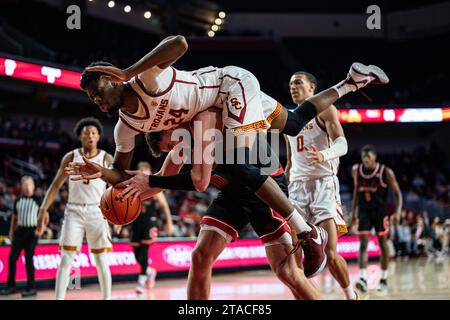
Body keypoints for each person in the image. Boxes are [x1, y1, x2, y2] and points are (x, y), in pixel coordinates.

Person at [68, 35, 389, 277]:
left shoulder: (145, 80)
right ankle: (351, 81)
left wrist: (127, 71)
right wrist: (101, 171)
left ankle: (308, 232)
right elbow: (121, 173)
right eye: (91, 97)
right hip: (220, 105)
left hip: (228, 87)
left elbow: (178, 43)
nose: (96, 99)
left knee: (233, 162)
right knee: (292, 124)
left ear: (112, 78)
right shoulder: (124, 130)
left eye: (97, 91)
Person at [143, 109, 322, 299]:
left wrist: (150, 181)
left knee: (286, 271)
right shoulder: (182, 143)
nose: (174, 150)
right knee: (200, 256)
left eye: (171, 144)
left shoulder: (204, 126)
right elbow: (160, 181)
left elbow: (197, 182)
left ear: (171, 127)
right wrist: (130, 190)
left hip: (263, 187)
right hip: (232, 191)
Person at [284, 71, 356, 300]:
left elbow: (343, 144)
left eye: (298, 83)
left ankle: (350, 296)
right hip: (296, 188)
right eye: (290, 84)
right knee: (294, 256)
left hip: (323, 186)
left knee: (332, 254)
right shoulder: (288, 118)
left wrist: (324, 155)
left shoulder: (325, 109)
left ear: (312, 88)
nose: (293, 87)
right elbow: (289, 162)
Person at [36, 117, 114, 300]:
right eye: (86, 132)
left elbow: (115, 186)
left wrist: (115, 216)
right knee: (66, 258)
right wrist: (43, 209)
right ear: (80, 136)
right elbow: (55, 185)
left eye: (94, 133)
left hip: (98, 211)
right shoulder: (71, 157)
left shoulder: (106, 158)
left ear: (99, 137)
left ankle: (107, 298)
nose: (90, 136)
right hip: (74, 211)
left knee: (101, 260)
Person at [350, 145, 402, 292]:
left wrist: (397, 212)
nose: (365, 160)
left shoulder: (385, 172)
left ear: (374, 158)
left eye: (368, 158)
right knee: (363, 243)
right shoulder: (357, 171)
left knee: (382, 243)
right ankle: (362, 278)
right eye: (363, 158)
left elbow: (398, 193)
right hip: (364, 211)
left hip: (380, 211)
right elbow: (355, 193)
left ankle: (384, 278)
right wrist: (354, 215)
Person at [128, 161, 174, 293]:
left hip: (149, 222)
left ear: (149, 172)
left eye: (144, 169)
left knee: (144, 251)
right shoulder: (133, 187)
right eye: (139, 169)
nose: (142, 171)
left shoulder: (154, 186)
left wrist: (169, 223)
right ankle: (150, 271)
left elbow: (165, 207)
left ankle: (141, 282)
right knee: (136, 254)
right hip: (136, 222)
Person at [0, 176, 41, 297]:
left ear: (33, 186)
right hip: (20, 231)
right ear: (22, 187)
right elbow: (14, 217)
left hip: (32, 232)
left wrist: (41, 229)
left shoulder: (39, 199)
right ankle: (11, 286)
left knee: (29, 260)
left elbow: (45, 215)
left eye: (30, 185)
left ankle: (31, 288)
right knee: (12, 259)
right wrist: (11, 232)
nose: (28, 187)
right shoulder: (18, 200)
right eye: (25, 185)